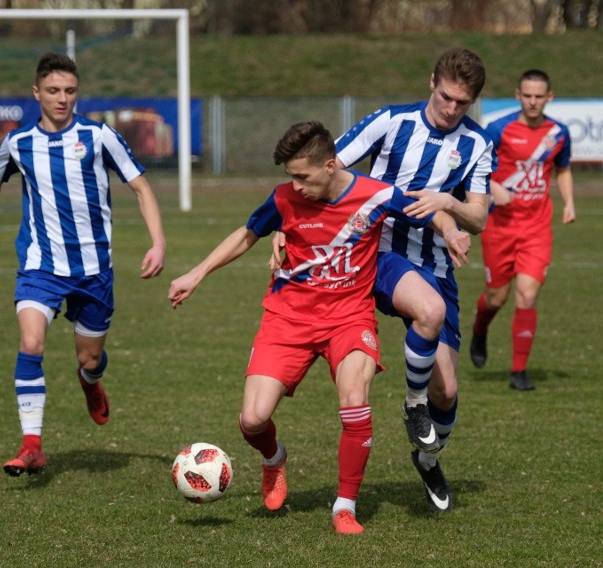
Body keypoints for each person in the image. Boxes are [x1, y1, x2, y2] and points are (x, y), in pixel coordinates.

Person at [169, 121, 470, 534]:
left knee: (354, 399)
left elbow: (429, 211)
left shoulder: (374, 194)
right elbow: (246, 234)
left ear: (330, 166)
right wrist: (197, 273)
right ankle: (274, 459)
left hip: (349, 317)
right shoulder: (284, 198)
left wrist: (451, 230)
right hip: (288, 318)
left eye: (302, 177)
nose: (295, 186)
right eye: (290, 177)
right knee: (253, 419)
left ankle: (345, 505)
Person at [0, 53, 166, 477]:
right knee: (30, 344)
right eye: (54, 91)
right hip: (39, 266)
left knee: (88, 358)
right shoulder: (19, 142)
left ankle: (91, 382)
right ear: (36, 93)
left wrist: (158, 241)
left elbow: (140, 187)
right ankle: (32, 446)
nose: (62, 99)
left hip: (93, 270)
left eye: (70, 91)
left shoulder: (100, 136)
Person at [331, 47, 493, 513]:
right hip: (379, 254)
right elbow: (332, 166)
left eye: (462, 103)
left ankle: (427, 455)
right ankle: (412, 403)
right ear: (431, 82)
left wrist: (449, 203)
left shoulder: (478, 144)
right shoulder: (390, 122)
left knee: (449, 390)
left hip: (437, 266)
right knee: (429, 312)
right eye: (445, 97)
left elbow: (478, 216)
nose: (450, 109)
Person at [470, 69, 575, 391]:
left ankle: (519, 372)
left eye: (538, 96)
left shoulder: (558, 133)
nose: (532, 101)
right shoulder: (499, 129)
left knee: (527, 296)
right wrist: (494, 187)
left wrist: (569, 202)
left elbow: (563, 169)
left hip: (536, 228)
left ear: (549, 97)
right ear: (518, 95)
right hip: (500, 228)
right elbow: (474, 168)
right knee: (496, 297)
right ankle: (480, 328)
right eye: (527, 95)